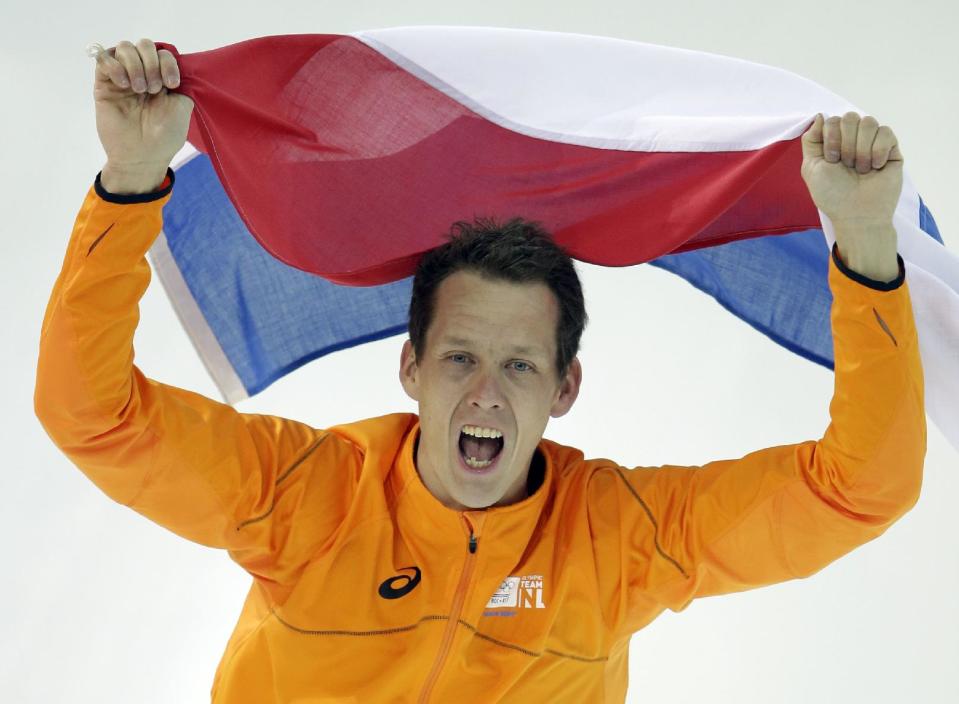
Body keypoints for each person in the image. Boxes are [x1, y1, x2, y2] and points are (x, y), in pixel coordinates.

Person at [34, 38, 926, 703]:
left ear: (564, 388)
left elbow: (858, 490)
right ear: (410, 367)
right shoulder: (308, 499)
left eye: (519, 364)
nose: (485, 393)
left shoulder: (619, 540)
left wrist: (864, 245)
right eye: (458, 357)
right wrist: (130, 179)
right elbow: (93, 415)